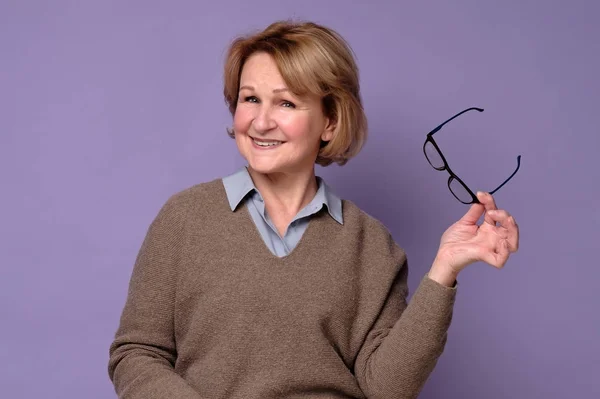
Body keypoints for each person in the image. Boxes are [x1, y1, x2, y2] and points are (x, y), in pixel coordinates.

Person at [107, 20, 519, 399]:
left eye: (286, 103)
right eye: (250, 99)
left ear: (330, 122)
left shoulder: (372, 245)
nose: (261, 121)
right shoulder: (184, 219)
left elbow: (387, 388)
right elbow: (137, 353)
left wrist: (444, 269)